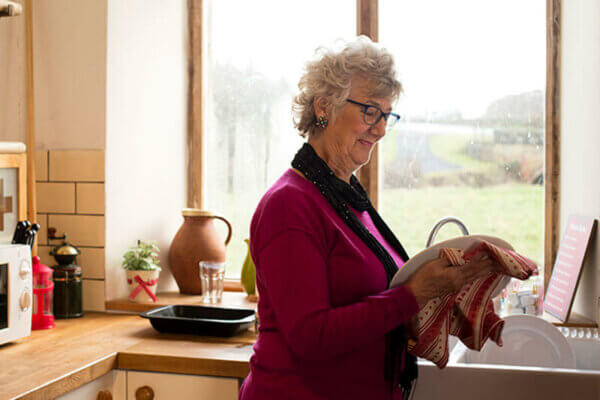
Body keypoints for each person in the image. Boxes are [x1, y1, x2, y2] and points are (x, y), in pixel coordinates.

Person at [238, 36, 496, 400]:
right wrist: (413, 294)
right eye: (370, 111)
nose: (381, 129)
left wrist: (449, 307)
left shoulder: (345, 197)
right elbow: (312, 337)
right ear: (324, 106)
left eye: (387, 114)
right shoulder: (289, 206)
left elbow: (374, 309)